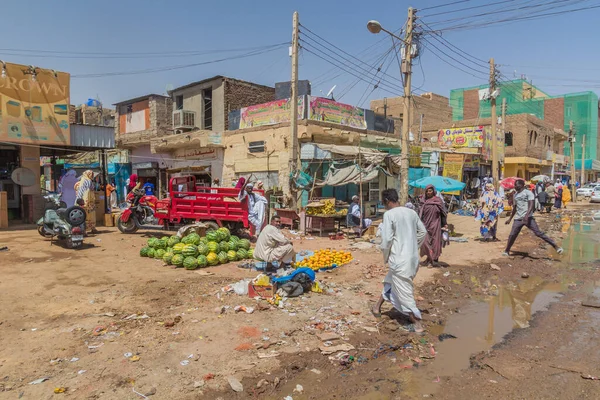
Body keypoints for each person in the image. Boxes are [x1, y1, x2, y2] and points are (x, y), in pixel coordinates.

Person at [371, 189, 428, 333]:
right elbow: (423, 232)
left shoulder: (389, 215)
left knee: (404, 292)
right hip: (412, 259)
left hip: (398, 259)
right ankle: (377, 307)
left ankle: (417, 323)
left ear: (386, 201)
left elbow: (387, 240)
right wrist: (414, 246)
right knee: (390, 281)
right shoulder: (411, 212)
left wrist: (386, 255)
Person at [503, 179, 563, 256]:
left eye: (517, 185)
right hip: (518, 218)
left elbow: (531, 204)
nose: (515, 186)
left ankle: (556, 246)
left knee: (538, 233)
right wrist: (510, 219)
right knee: (512, 235)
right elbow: (515, 208)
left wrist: (526, 216)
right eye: (515, 185)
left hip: (529, 218)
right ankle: (506, 251)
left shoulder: (528, 193)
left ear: (522, 185)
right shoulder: (515, 195)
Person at [419, 184, 448, 266]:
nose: (429, 192)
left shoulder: (438, 200)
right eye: (427, 191)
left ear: (433, 191)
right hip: (425, 224)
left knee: (435, 242)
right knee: (425, 242)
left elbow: (443, 213)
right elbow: (420, 213)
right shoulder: (423, 201)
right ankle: (429, 258)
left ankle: (433, 261)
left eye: (430, 191)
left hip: (435, 224)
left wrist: (445, 223)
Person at [75, 170, 98, 234]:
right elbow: (89, 190)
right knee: (90, 215)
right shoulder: (88, 181)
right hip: (88, 201)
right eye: (91, 174)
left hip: (80, 200)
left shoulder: (81, 180)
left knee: (81, 215)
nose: (92, 176)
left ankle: (83, 230)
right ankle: (90, 228)